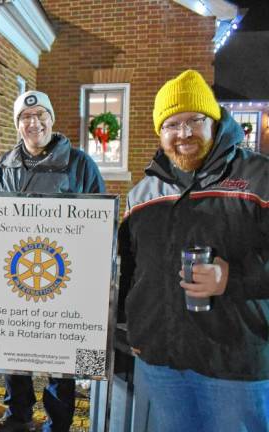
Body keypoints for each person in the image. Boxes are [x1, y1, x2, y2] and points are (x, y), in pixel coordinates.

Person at [118, 69, 269, 431]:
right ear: (160, 131)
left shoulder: (258, 178)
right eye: (172, 124)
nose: (183, 133)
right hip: (162, 362)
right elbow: (129, 272)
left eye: (194, 121)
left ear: (214, 123)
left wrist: (233, 277)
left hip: (234, 364)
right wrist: (132, 333)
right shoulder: (143, 194)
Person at [0, 90, 105, 432]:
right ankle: (18, 417)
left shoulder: (80, 164)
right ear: (17, 124)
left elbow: (99, 224)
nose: (33, 122)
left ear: (52, 120)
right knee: (13, 354)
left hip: (63, 277)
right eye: (25, 117)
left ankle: (58, 422)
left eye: (40, 115)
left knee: (61, 359)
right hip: (16, 276)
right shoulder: (5, 166)